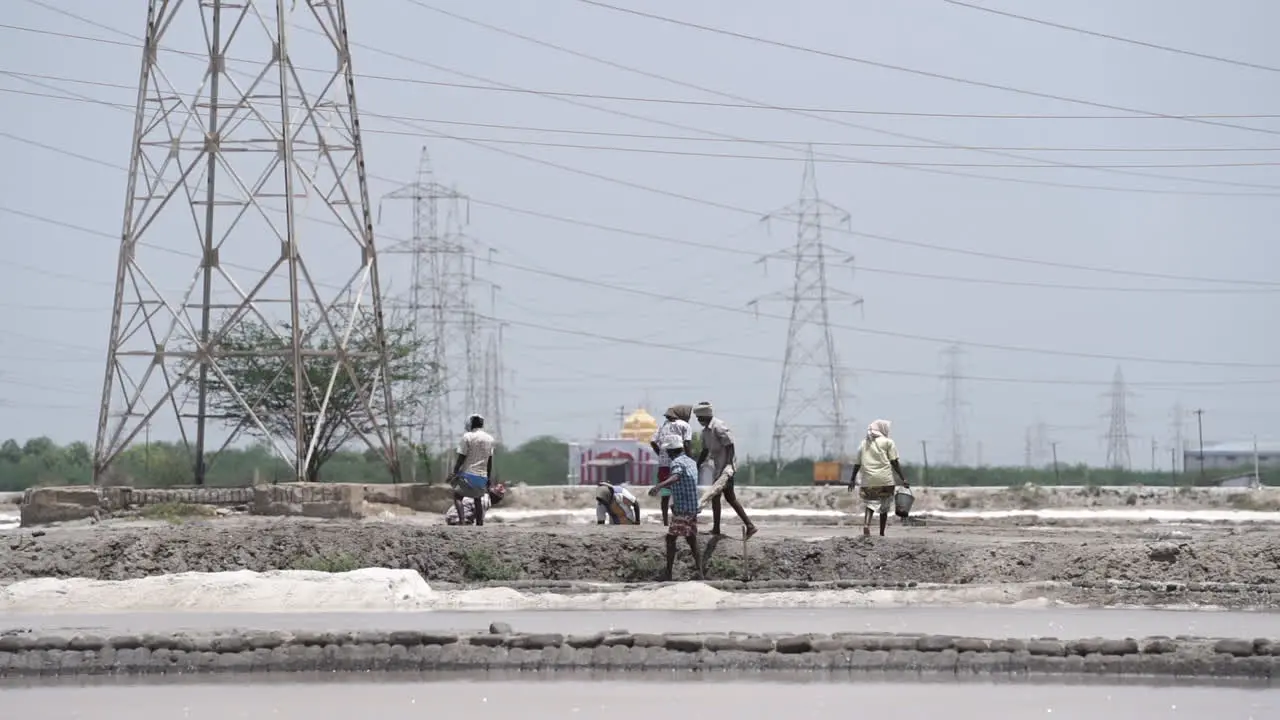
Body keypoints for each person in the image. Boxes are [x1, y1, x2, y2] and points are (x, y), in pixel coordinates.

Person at [692, 402, 757, 539]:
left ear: (704, 417)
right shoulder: (706, 432)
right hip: (718, 468)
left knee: (720, 497)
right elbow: (705, 450)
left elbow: (730, 444)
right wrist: (697, 465)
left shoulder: (718, 426)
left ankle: (720, 528)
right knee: (729, 498)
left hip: (726, 470)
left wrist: (729, 465)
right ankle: (748, 525)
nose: (698, 421)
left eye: (699, 418)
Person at [648, 435, 704, 580]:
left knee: (670, 539)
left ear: (671, 452)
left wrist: (659, 486)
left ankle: (668, 573)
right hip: (691, 506)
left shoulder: (677, 463)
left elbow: (676, 477)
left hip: (683, 508)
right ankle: (700, 572)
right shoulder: (691, 462)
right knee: (691, 539)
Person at [847, 419, 910, 537]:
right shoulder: (888, 442)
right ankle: (881, 533)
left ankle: (866, 525)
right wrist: (903, 478)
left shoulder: (863, 443)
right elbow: (894, 462)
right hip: (885, 480)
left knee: (870, 504)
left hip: (868, 480)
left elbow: (857, 464)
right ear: (882, 429)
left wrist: (852, 479)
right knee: (884, 506)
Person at [649, 405, 693, 526]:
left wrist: (660, 454)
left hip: (663, 465)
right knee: (678, 494)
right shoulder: (684, 425)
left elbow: (653, 441)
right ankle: (678, 519)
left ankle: (665, 522)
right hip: (679, 463)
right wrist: (690, 461)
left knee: (665, 495)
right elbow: (687, 444)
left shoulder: (662, 426)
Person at [450, 414, 496, 526]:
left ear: (471, 424)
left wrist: (455, 472)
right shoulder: (489, 439)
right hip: (482, 475)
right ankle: (479, 523)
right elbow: (489, 461)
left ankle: (462, 521)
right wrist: (488, 478)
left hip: (468, 474)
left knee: (458, 496)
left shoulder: (467, 437)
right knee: (478, 499)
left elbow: (461, 457)